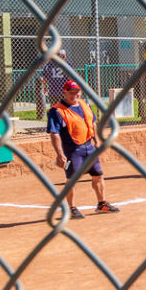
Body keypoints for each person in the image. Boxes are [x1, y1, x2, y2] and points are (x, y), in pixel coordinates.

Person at [47, 80, 120, 219]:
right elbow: (54, 134)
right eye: (71, 92)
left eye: (77, 92)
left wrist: (97, 139)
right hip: (72, 151)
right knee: (71, 179)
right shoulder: (56, 111)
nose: (75, 95)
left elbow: (91, 122)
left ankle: (101, 204)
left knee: (98, 175)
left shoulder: (84, 104)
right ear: (64, 92)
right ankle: (71, 209)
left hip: (89, 148)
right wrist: (60, 154)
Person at [36, 49, 69, 119]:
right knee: (64, 109)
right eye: (63, 56)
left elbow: (45, 79)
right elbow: (71, 78)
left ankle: (56, 123)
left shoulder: (49, 64)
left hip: (53, 91)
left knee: (55, 108)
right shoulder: (67, 65)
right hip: (64, 91)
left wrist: (45, 88)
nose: (64, 57)